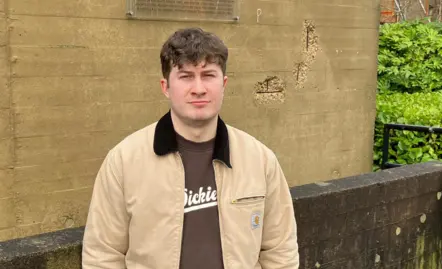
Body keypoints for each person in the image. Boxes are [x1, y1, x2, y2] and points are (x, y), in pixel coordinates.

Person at [82, 27, 299, 269]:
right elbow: (102, 255)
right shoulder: (123, 161)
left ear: (224, 83)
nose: (198, 88)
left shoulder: (260, 160)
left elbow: (281, 251)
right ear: (165, 87)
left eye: (208, 75)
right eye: (185, 76)